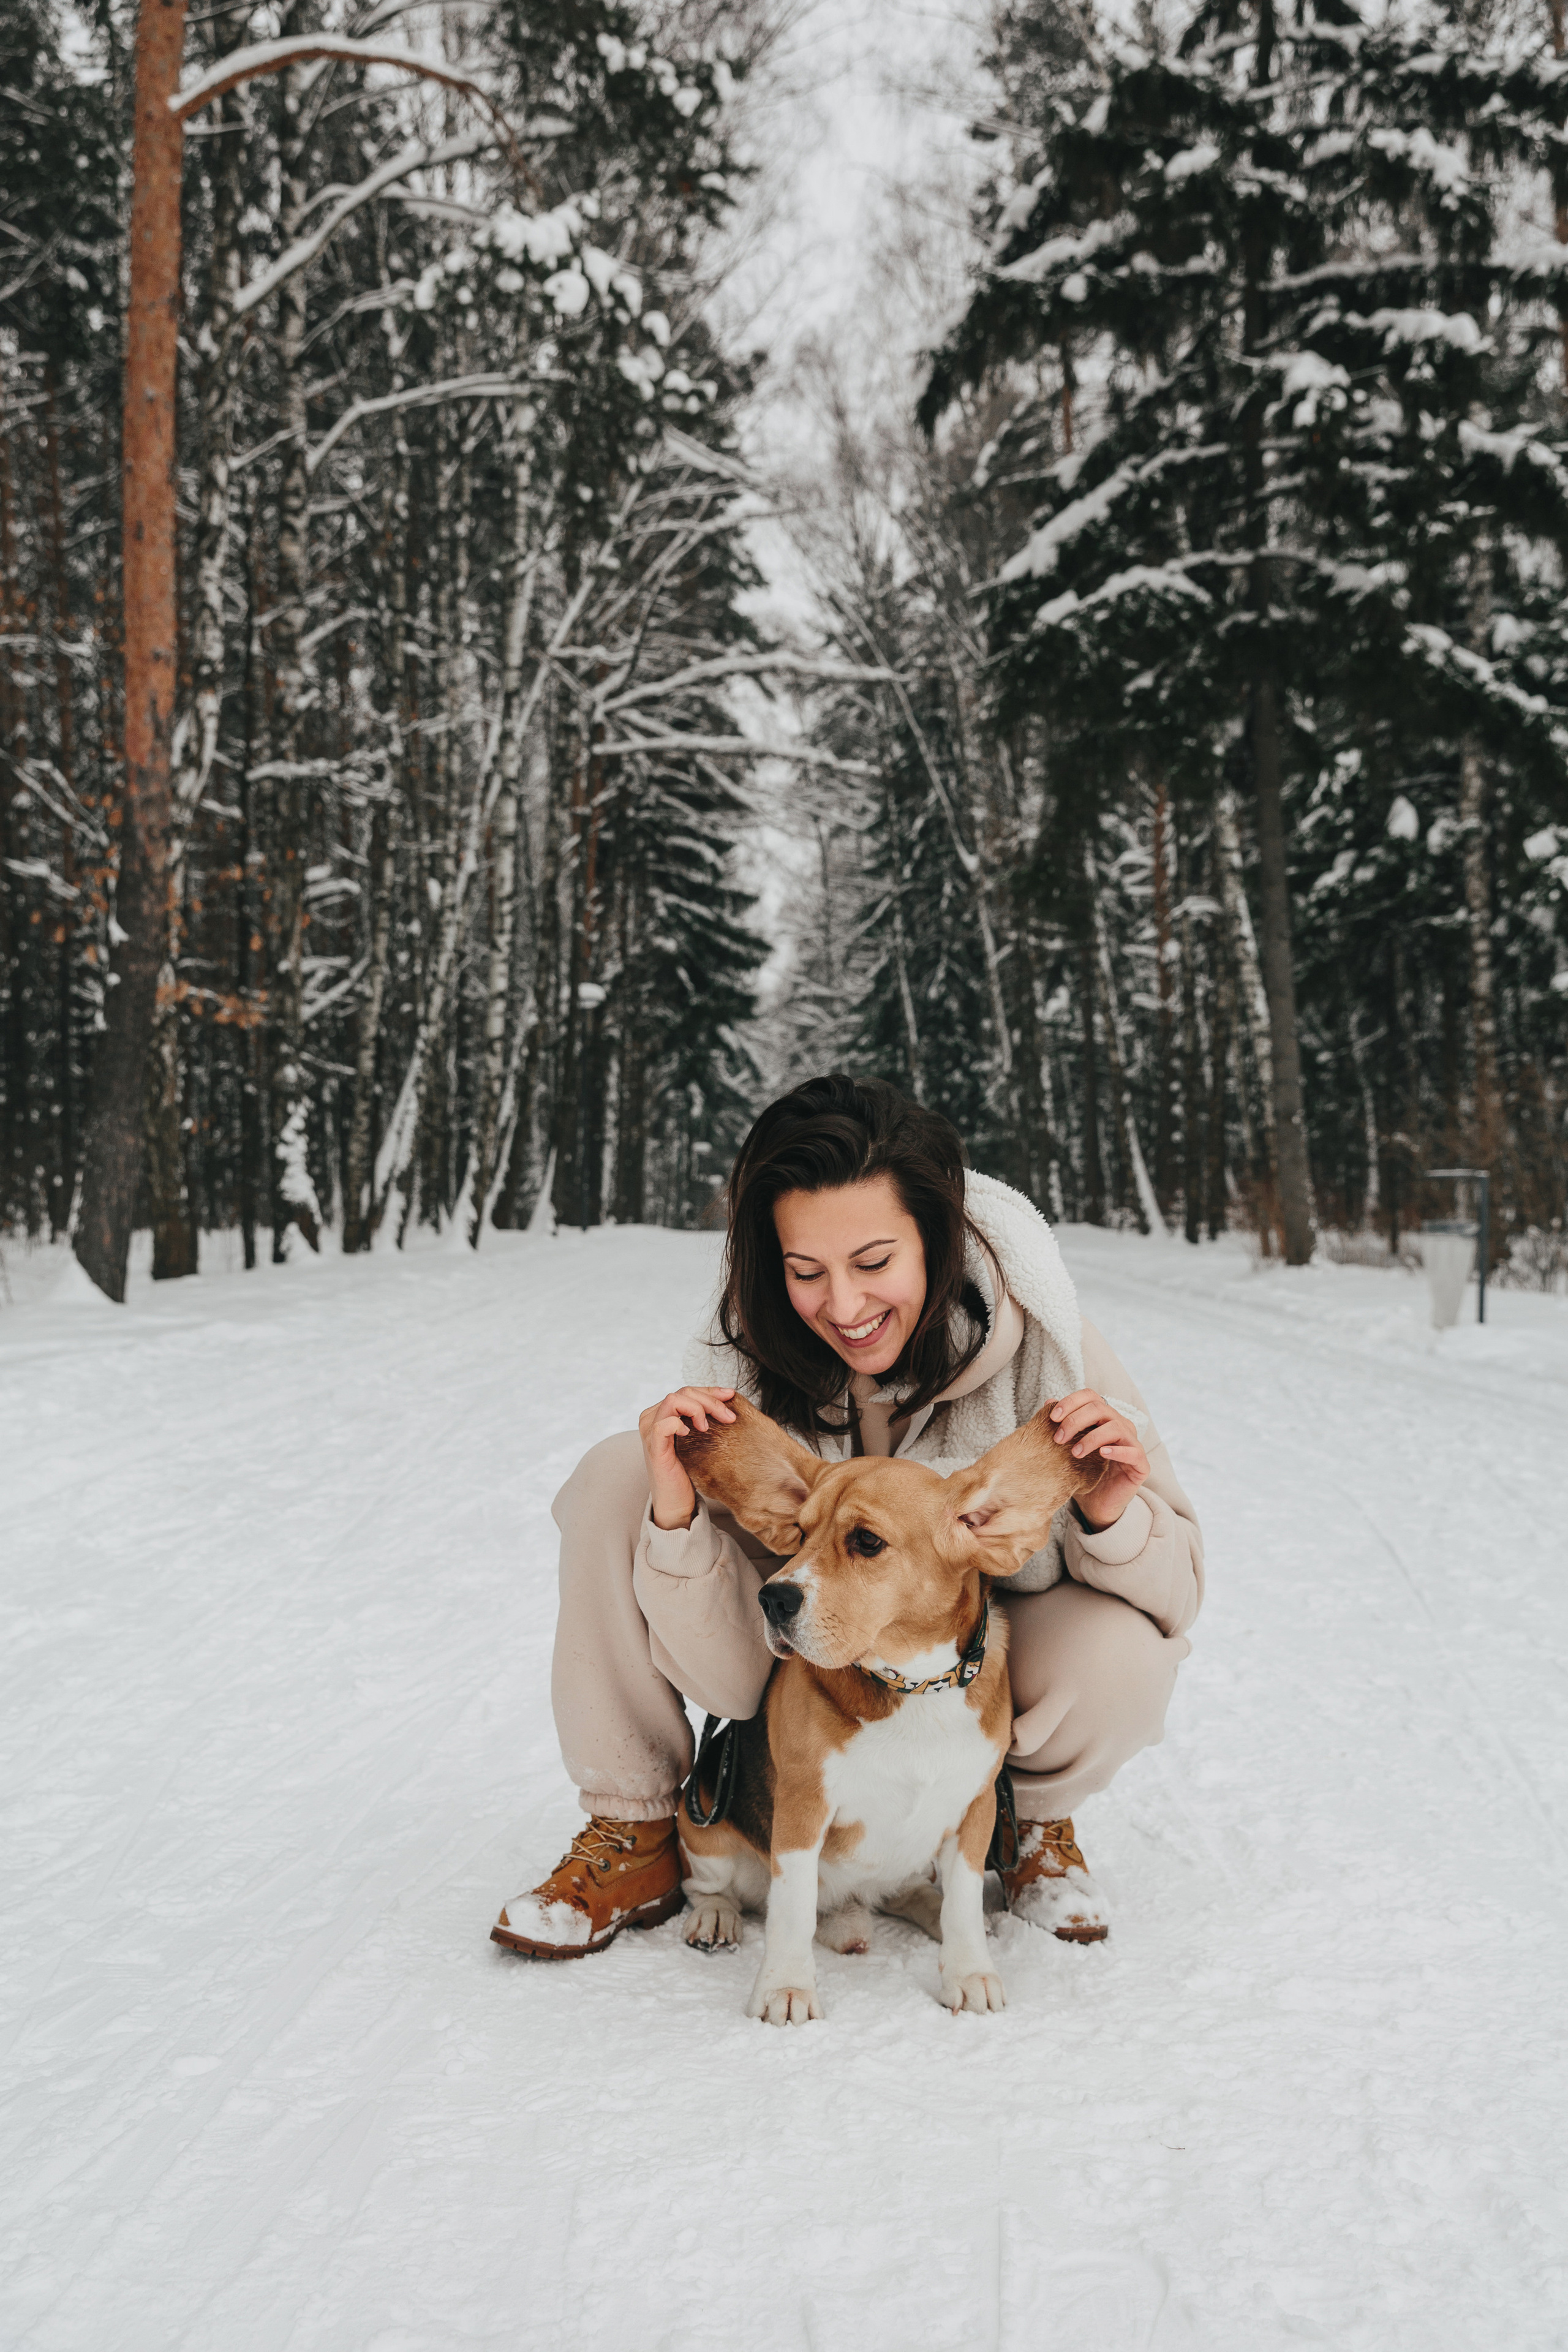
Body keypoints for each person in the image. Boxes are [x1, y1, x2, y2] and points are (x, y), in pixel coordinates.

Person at [492, 1073, 1202, 1960]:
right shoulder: (742, 1367)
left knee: (1124, 1650)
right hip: (802, 1665)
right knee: (615, 1476)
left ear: (936, 1240)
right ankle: (634, 1827)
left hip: (980, 1651)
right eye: (805, 1271)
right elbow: (732, 1685)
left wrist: (1107, 1518)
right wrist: (674, 1523)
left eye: (874, 1263)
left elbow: (1180, 1594)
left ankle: (1027, 1826)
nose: (845, 1306)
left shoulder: (1052, 1348)